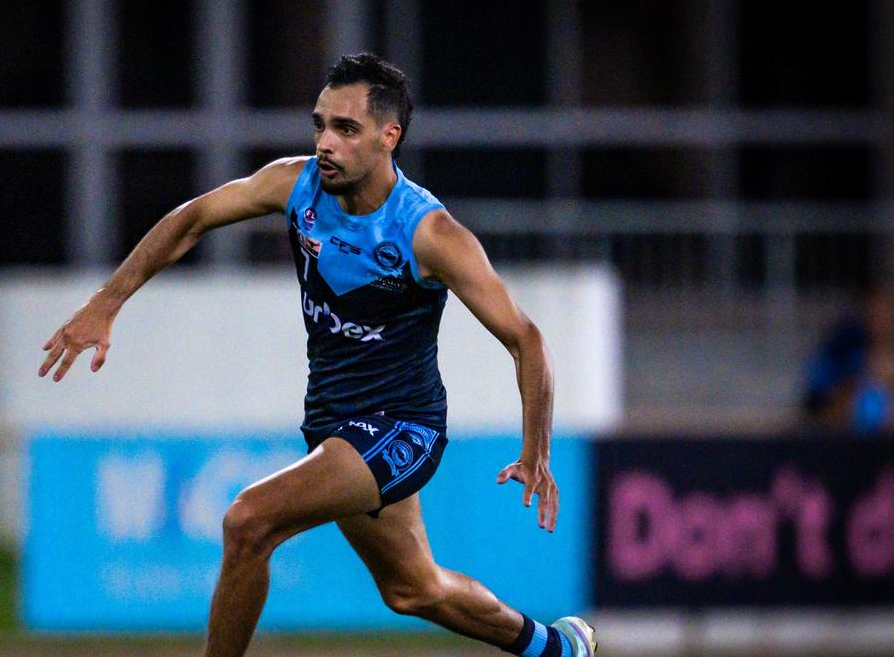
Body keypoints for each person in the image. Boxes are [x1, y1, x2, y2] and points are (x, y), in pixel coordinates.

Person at [39, 53, 596, 657]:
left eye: (346, 129)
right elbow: (192, 219)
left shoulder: (428, 234)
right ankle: (559, 647)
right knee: (414, 590)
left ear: (390, 138)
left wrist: (535, 450)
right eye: (320, 124)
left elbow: (527, 339)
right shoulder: (295, 183)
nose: (325, 143)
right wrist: (106, 302)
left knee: (247, 521)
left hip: (401, 428)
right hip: (333, 421)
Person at [804, 285, 894, 433]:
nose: (881, 319)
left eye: (886, 312)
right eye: (873, 312)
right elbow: (818, 406)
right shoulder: (840, 352)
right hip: (850, 442)